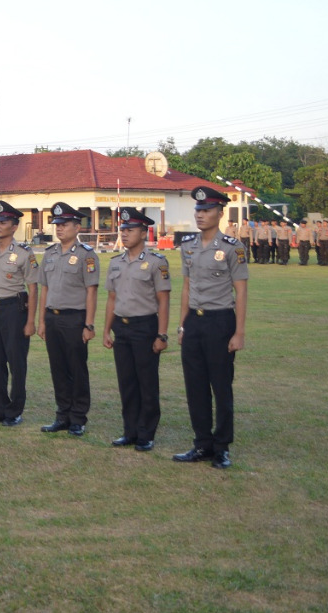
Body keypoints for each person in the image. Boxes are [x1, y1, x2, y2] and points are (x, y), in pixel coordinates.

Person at [175, 186, 248, 470]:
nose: (200, 215)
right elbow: (186, 288)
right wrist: (182, 326)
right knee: (195, 387)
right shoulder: (188, 246)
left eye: (206, 211)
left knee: (221, 386)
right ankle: (202, 444)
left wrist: (239, 332)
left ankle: (222, 447)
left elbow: (240, 292)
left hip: (220, 321)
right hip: (194, 321)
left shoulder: (232, 247)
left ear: (220, 213)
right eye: (198, 210)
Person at [103, 207, 171, 452]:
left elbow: (163, 300)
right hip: (122, 327)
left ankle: (146, 433)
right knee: (127, 382)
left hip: (145, 327)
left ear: (144, 233)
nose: (125, 233)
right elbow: (112, 299)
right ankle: (129, 431)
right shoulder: (116, 263)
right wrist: (106, 330)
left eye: (130, 230)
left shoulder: (156, 262)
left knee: (147, 382)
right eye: (123, 229)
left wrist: (162, 334)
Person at [36, 202, 98, 436]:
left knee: (77, 369)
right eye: (57, 225)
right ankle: (62, 415)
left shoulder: (86, 256)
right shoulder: (50, 254)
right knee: (58, 369)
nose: (59, 229)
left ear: (77, 227)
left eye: (64, 225)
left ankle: (78, 417)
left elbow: (91, 291)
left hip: (75, 319)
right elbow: (44, 289)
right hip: (53, 318)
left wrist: (89, 324)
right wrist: (42, 321)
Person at [0, 200, 40, 427]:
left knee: (16, 362)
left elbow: (33, 288)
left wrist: (31, 321)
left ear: (14, 226)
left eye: (3, 222)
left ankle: (15, 411)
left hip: (15, 311)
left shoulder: (24, 253)